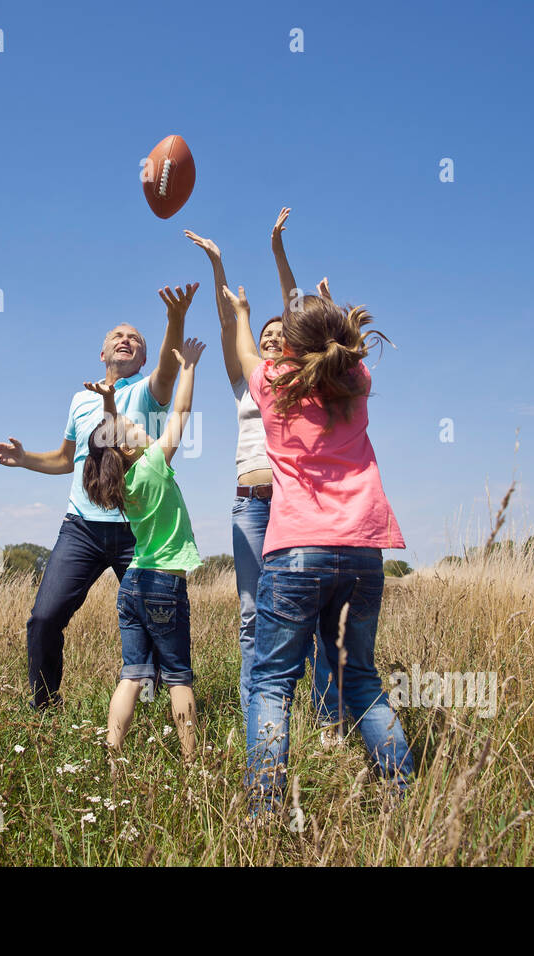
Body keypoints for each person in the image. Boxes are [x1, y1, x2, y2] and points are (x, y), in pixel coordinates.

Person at [223, 281, 414, 813]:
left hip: (296, 549)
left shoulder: (273, 381)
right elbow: (343, 348)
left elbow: (243, 353)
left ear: (287, 346)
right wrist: (332, 309)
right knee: (360, 680)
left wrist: (241, 311)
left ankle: (264, 811)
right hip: (362, 551)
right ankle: (405, 799)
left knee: (271, 684)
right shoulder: (356, 379)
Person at [0, 283, 199, 710]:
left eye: (135, 340)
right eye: (117, 337)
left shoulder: (148, 391)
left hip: (138, 531)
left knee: (157, 622)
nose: (126, 340)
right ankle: (45, 706)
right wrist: (25, 458)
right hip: (81, 529)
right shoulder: (80, 399)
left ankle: (157, 707)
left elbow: (169, 364)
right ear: (102, 355)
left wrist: (174, 319)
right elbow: (68, 459)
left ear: (141, 358)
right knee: (44, 618)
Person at [185, 209, 341, 743]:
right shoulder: (246, 381)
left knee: (313, 614)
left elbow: (299, 310)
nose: (271, 338)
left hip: (295, 505)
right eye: (266, 334)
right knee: (252, 614)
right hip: (251, 504)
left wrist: (278, 252)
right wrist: (217, 264)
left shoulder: (297, 379)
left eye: (280, 334)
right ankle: (261, 714)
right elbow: (231, 322)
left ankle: (325, 716)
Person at [81, 337, 206, 758]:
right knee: (178, 677)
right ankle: (193, 764)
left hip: (131, 583)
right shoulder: (155, 464)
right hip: (163, 585)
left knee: (131, 676)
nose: (141, 431)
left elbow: (111, 439)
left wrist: (110, 402)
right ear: (131, 447)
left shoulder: (121, 484)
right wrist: (188, 367)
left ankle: (112, 755)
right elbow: (182, 411)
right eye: (136, 430)